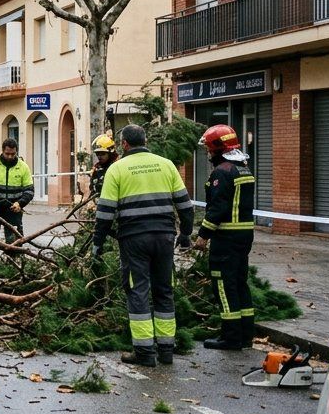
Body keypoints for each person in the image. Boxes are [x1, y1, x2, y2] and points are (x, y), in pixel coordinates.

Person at [91, 124, 194, 367]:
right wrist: (186, 234)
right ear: (145, 140)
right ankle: (166, 350)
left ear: (124, 144)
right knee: (164, 289)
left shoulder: (117, 169)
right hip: (165, 237)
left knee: (138, 291)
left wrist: (97, 243)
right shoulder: (166, 164)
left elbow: (105, 213)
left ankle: (145, 352)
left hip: (134, 239)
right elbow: (186, 207)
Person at [194, 124, 257, 350]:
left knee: (223, 285)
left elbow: (218, 209)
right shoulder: (243, 169)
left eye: (209, 149)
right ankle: (246, 335)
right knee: (240, 283)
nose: (208, 153)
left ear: (218, 148)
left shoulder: (222, 172)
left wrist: (203, 235)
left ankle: (230, 338)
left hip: (226, 238)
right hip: (244, 236)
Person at [87, 132, 118, 203]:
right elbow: (92, 186)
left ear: (110, 153)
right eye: (98, 154)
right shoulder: (97, 168)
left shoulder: (116, 166)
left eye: (103, 154)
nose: (99, 156)